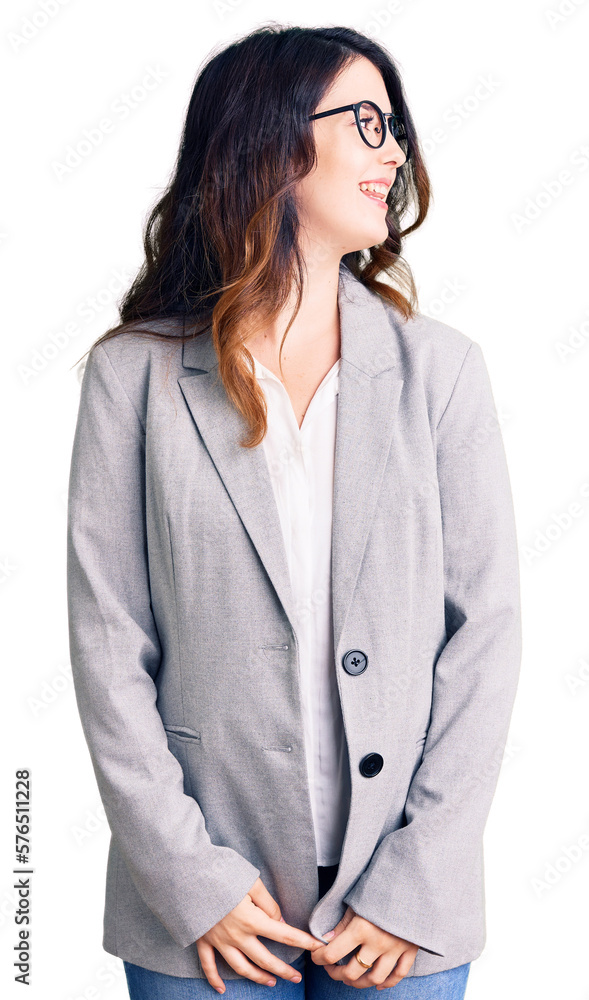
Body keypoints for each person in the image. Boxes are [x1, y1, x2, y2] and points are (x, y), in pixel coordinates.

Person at [66, 23, 521, 999]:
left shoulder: (441, 373)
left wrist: (415, 880)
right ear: (270, 142)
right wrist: (190, 879)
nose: (395, 151)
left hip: (402, 917)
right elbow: (110, 646)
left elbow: (483, 637)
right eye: (366, 121)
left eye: (394, 126)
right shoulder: (132, 376)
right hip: (203, 917)